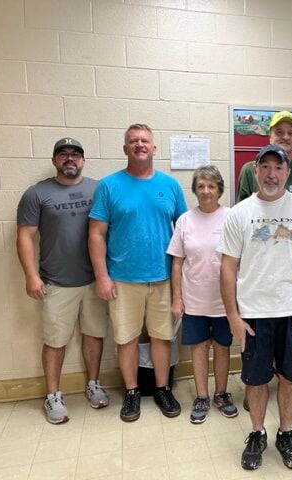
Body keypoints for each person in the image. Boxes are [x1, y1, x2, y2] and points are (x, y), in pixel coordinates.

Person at [219, 144, 292, 471]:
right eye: (264, 167)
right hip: (253, 314)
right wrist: (233, 316)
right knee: (255, 379)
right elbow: (227, 267)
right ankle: (257, 431)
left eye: (277, 168)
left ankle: (285, 432)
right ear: (255, 170)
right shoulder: (238, 214)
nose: (271, 174)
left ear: (287, 172)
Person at [88, 124, 187, 422]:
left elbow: (184, 231)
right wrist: (102, 276)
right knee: (126, 339)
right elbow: (96, 234)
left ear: (154, 149)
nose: (139, 145)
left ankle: (161, 388)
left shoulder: (170, 186)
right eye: (133, 141)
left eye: (145, 141)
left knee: (161, 337)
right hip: (122, 279)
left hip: (163, 277)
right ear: (125, 148)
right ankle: (131, 392)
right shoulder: (108, 186)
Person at [16, 137, 109, 424]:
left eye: (76, 154)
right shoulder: (37, 193)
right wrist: (31, 275)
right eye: (63, 154)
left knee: (94, 334)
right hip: (57, 283)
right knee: (55, 341)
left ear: (83, 160)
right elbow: (25, 237)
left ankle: (93, 384)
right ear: (55, 160)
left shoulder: (98, 189)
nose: (70, 158)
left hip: (95, 281)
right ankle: (53, 395)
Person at [167, 165, 238, 424]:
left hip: (224, 301)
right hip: (194, 300)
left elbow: (240, 260)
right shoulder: (185, 220)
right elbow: (177, 262)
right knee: (198, 349)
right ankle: (202, 396)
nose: (206, 191)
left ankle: (221, 393)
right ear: (195, 191)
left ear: (219, 189)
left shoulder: (232, 217)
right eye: (201, 186)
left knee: (222, 348)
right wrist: (177, 298)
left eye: (211, 186)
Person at [236, 110, 292, 204]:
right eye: (279, 132)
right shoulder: (249, 170)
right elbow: (241, 212)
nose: (285, 137)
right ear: (270, 136)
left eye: (291, 133)